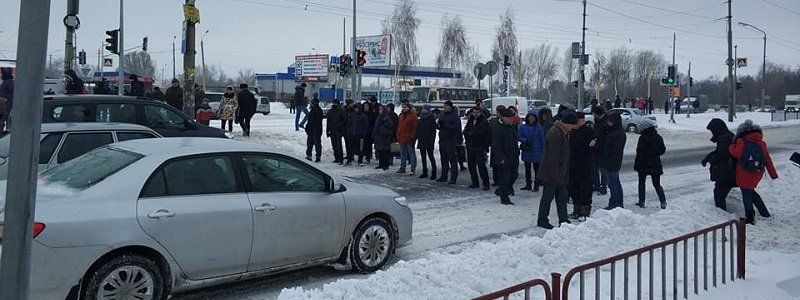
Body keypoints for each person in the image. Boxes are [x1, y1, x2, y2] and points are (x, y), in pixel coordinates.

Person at [729, 119, 779, 225]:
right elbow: (767, 159)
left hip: (744, 172)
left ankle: (750, 218)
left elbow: (736, 153)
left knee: (746, 194)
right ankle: (764, 213)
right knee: (751, 192)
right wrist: (773, 174)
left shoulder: (741, 141)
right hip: (757, 172)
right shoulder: (761, 143)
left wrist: (731, 147)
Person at [537, 110, 579, 229]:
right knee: (548, 197)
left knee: (562, 197)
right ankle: (542, 219)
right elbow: (552, 157)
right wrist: (556, 175)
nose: (573, 127)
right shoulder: (556, 133)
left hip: (560, 173)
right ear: (566, 123)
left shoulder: (563, 132)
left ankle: (563, 219)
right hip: (552, 174)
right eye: (572, 125)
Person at [702, 118, 737, 211]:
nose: (712, 133)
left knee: (719, 193)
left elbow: (723, 154)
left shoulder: (725, 138)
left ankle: (721, 214)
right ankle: (764, 212)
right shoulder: (725, 136)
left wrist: (712, 159)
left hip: (728, 172)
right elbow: (719, 151)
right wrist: (707, 158)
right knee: (749, 193)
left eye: (712, 130)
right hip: (729, 171)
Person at [634, 119, 667, 209]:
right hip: (655, 163)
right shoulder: (658, 137)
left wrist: (637, 163)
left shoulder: (642, 138)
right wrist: (654, 154)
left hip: (643, 164)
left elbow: (639, 152)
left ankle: (641, 201)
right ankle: (663, 201)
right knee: (657, 184)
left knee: (641, 183)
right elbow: (662, 150)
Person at [569, 112, 596, 220]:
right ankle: (576, 210)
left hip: (585, 165)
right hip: (573, 164)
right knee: (574, 188)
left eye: (579, 120)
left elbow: (593, 146)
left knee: (585, 189)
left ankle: (585, 211)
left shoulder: (589, 131)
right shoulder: (572, 131)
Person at [491, 108, 520, 205]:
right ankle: (504, 198)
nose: (512, 120)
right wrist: (500, 157)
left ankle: (501, 190)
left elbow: (514, 141)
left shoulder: (512, 127)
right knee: (505, 178)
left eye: (512, 118)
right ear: (504, 118)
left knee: (514, 175)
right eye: (510, 119)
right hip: (504, 158)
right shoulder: (498, 128)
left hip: (513, 156)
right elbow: (496, 144)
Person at [600, 112, 627, 210]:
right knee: (614, 183)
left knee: (613, 184)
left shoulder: (619, 133)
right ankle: (617, 203)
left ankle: (615, 204)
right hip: (608, 161)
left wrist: (609, 161)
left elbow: (616, 150)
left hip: (612, 163)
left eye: (610, 121)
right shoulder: (610, 131)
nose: (608, 123)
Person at [463, 106, 491, 190]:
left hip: (479, 147)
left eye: (477, 112)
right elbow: (466, 131)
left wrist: (473, 133)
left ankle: (486, 184)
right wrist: (468, 134)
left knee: (481, 166)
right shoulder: (470, 120)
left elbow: (484, 134)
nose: (475, 114)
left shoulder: (484, 121)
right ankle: (475, 182)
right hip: (470, 146)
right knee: (471, 166)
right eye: (474, 112)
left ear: (480, 113)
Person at [518, 112, 545, 192]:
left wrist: (543, 151)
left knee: (537, 169)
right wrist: (525, 140)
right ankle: (528, 184)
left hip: (537, 150)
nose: (531, 119)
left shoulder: (539, 127)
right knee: (527, 169)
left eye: (533, 117)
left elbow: (542, 140)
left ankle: (536, 185)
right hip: (527, 150)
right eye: (530, 117)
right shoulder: (523, 127)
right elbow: (518, 136)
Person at [437, 101, 462, 184]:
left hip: (450, 140)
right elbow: (440, 126)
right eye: (444, 106)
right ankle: (444, 176)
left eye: (446, 106)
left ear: (450, 107)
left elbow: (456, 127)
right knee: (443, 158)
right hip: (442, 139)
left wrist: (445, 125)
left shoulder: (455, 116)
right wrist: (438, 125)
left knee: (452, 159)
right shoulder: (442, 114)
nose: (444, 108)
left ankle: (453, 177)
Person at [396, 102, 419, 174]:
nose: (404, 108)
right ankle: (402, 167)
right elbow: (399, 126)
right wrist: (398, 134)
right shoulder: (401, 115)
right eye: (403, 107)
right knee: (402, 154)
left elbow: (415, 128)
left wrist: (413, 136)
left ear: (409, 108)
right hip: (402, 136)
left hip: (409, 138)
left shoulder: (413, 116)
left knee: (411, 154)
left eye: (405, 107)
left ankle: (413, 169)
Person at [416, 105, 437, 180]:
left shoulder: (431, 119)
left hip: (428, 140)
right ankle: (425, 171)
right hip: (422, 139)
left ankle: (434, 172)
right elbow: (418, 129)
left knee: (431, 156)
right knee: (423, 157)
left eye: (424, 109)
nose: (422, 110)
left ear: (428, 110)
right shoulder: (421, 118)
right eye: (423, 109)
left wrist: (432, 141)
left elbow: (433, 132)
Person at [591, 106, 609, 195]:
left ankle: (603, 186)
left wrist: (596, 142)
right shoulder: (598, 121)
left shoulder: (605, 122)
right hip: (596, 148)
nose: (592, 115)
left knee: (602, 169)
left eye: (593, 113)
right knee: (595, 168)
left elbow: (603, 136)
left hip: (602, 149)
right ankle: (596, 184)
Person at [373, 105, 395, 170]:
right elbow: (375, 127)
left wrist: (384, 124)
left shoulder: (386, 118)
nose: (380, 111)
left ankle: (385, 165)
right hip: (378, 136)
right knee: (379, 151)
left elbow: (391, 125)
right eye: (379, 109)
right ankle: (381, 164)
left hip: (384, 136)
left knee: (384, 151)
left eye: (381, 110)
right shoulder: (378, 117)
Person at [489, 105, 507, 187]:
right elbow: (489, 132)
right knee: (495, 164)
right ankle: (496, 180)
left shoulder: (506, 121)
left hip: (504, 145)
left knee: (502, 164)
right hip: (495, 144)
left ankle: (502, 180)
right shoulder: (493, 121)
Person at [327, 99, 347, 164]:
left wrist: (339, 125)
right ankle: (336, 158)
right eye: (333, 103)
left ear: (338, 104)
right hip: (332, 130)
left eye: (335, 103)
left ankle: (340, 158)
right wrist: (327, 130)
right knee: (334, 145)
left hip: (339, 130)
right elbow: (328, 121)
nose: (334, 104)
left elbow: (344, 120)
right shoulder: (330, 111)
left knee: (339, 145)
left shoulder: (342, 110)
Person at [305, 98, 324, 162]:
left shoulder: (318, 110)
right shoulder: (313, 110)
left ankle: (318, 156)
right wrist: (307, 128)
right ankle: (309, 155)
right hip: (311, 130)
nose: (310, 104)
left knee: (317, 144)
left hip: (316, 131)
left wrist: (312, 129)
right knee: (310, 144)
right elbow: (310, 121)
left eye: (311, 103)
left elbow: (317, 122)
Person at [363, 98, 379, 164]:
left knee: (375, 144)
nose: (365, 107)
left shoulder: (372, 114)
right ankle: (368, 156)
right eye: (365, 106)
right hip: (365, 132)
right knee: (367, 145)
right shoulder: (362, 114)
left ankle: (376, 155)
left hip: (371, 131)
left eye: (367, 106)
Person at [0, 68, 14, 132]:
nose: (1, 75)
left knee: (4, 122)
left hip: (6, 107)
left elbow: (11, 96)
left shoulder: (9, 83)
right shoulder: (7, 83)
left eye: (3, 74)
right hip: (4, 107)